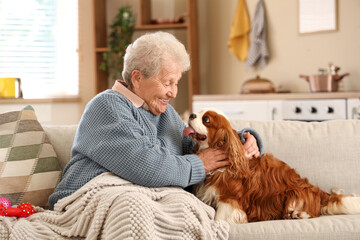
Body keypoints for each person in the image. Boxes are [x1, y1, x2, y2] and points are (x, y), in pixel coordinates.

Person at [49, 31, 263, 209]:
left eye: (176, 83)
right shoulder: (107, 106)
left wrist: (242, 140)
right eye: (168, 82)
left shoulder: (164, 113)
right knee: (142, 206)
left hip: (136, 197)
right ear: (137, 78)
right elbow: (147, 166)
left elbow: (195, 145)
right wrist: (199, 164)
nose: (174, 93)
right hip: (88, 196)